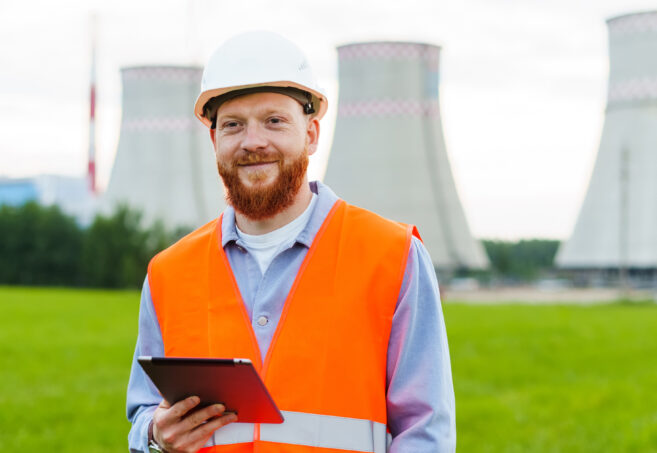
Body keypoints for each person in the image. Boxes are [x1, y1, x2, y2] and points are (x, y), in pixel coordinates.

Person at [126, 31, 455, 453]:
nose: (253, 142)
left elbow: (425, 431)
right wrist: (154, 436)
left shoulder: (393, 257)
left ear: (312, 134)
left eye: (274, 121)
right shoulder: (169, 273)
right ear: (214, 142)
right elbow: (142, 413)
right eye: (233, 125)